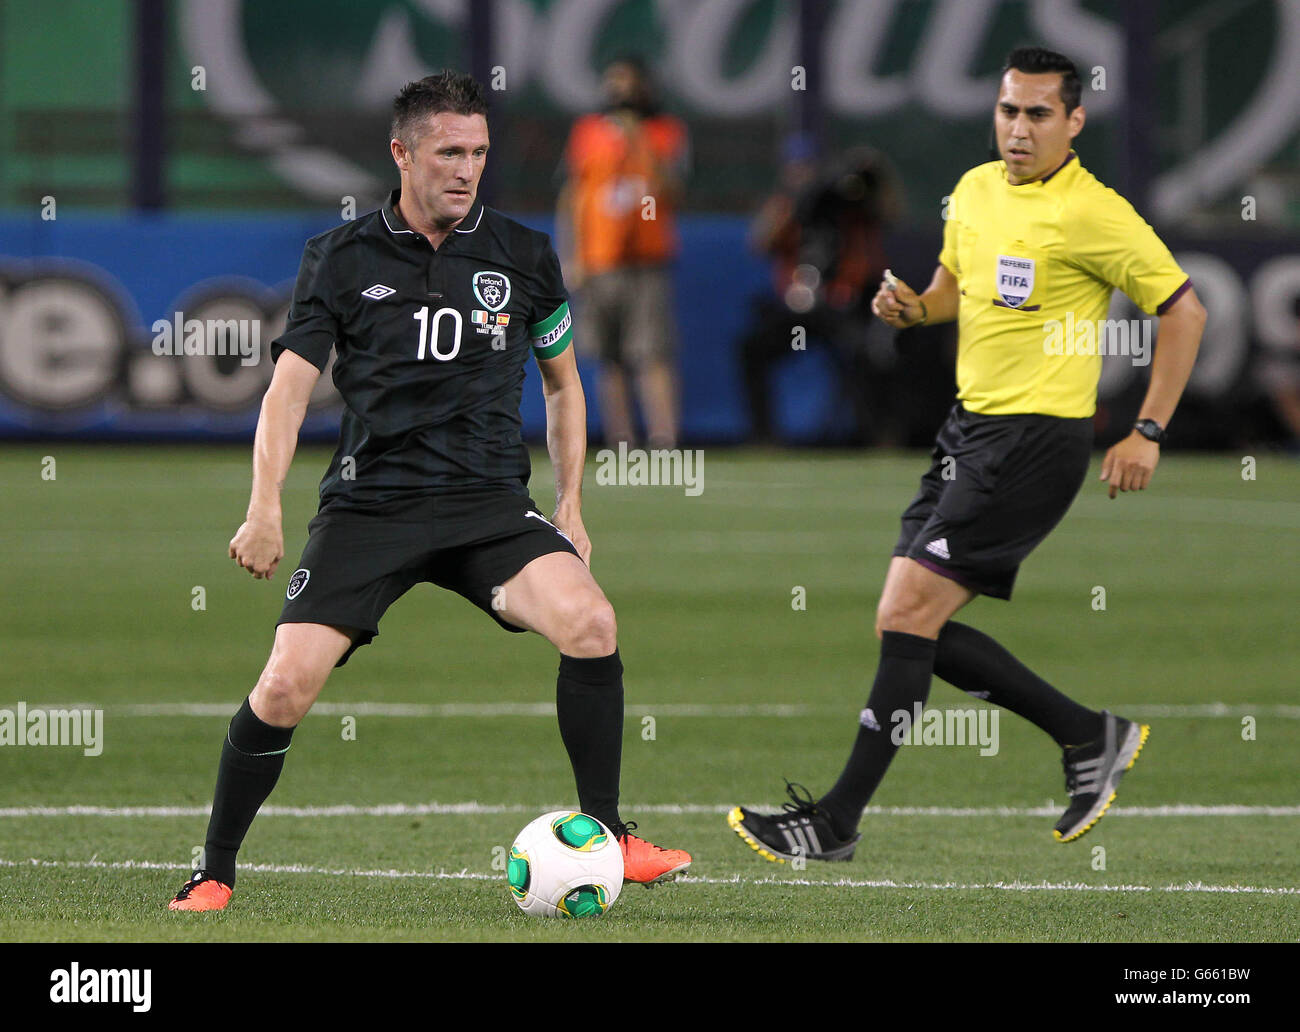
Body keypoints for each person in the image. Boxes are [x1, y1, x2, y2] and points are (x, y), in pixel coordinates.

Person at [168, 71, 691, 911]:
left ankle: (612, 835)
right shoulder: (339, 259)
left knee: (591, 623)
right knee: (284, 686)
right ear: (401, 152)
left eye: (479, 153)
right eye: (449, 152)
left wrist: (569, 508)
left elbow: (564, 387)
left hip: (488, 505)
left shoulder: (522, 255)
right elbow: (288, 391)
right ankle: (215, 870)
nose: (466, 169)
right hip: (371, 505)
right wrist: (263, 505)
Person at [728, 47, 1206, 862]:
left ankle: (836, 822)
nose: (1018, 129)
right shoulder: (979, 189)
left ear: (1075, 121)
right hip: (967, 432)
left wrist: (1148, 429)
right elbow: (957, 284)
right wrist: (914, 308)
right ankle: (1088, 734)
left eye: (1038, 114)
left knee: (910, 616)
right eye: (1008, 110)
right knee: (906, 627)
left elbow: (1184, 310)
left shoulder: (1094, 212)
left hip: (1035, 440)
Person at [556, 56, 689, 449]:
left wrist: (639, 141)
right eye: (614, 82)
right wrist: (572, 253)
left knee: (652, 353)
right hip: (599, 259)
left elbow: (672, 192)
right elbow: (572, 196)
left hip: (646, 259)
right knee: (608, 355)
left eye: (628, 83)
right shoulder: (588, 132)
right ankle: (622, 441)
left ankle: (664, 439)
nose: (620, 92)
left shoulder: (665, 131)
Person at [737, 139, 902, 444]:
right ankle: (763, 437)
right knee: (751, 348)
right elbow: (759, 242)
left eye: (808, 168)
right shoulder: (790, 207)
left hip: (839, 304)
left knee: (866, 351)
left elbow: (888, 211)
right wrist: (791, 204)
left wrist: (869, 172)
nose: (802, 175)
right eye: (795, 169)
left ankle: (877, 436)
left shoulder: (844, 204)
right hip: (797, 309)